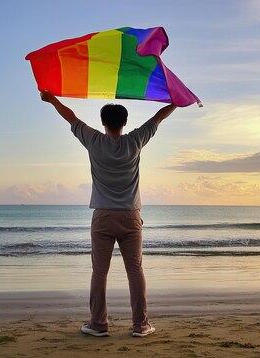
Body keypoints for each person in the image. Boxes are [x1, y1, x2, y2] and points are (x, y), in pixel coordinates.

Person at [39, 90, 177, 337]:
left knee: (99, 272)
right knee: (135, 271)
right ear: (125, 123)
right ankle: (140, 325)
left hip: (103, 216)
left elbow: (70, 117)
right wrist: (176, 101)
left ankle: (99, 324)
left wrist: (52, 100)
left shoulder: (94, 140)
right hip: (130, 216)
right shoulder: (135, 140)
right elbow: (158, 118)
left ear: (103, 122)